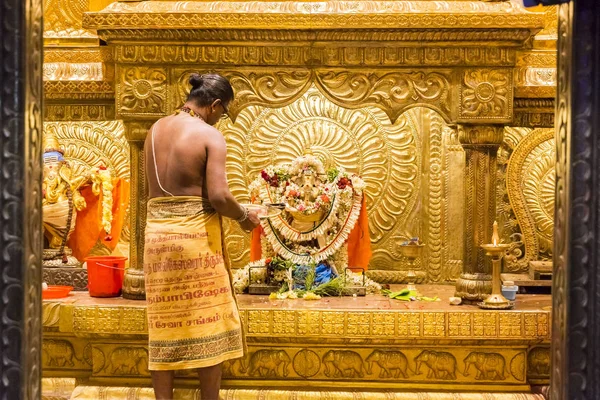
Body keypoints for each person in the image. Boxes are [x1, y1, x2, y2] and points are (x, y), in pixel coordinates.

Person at [142, 73, 260, 400]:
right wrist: (243, 216)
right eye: (222, 113)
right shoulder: (209, 135)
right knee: (210, 323)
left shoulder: (155, 129)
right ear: (215, 105)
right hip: (193, 240)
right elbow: (220, 197)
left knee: (163, 325)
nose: (220, 119)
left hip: (157, 238)